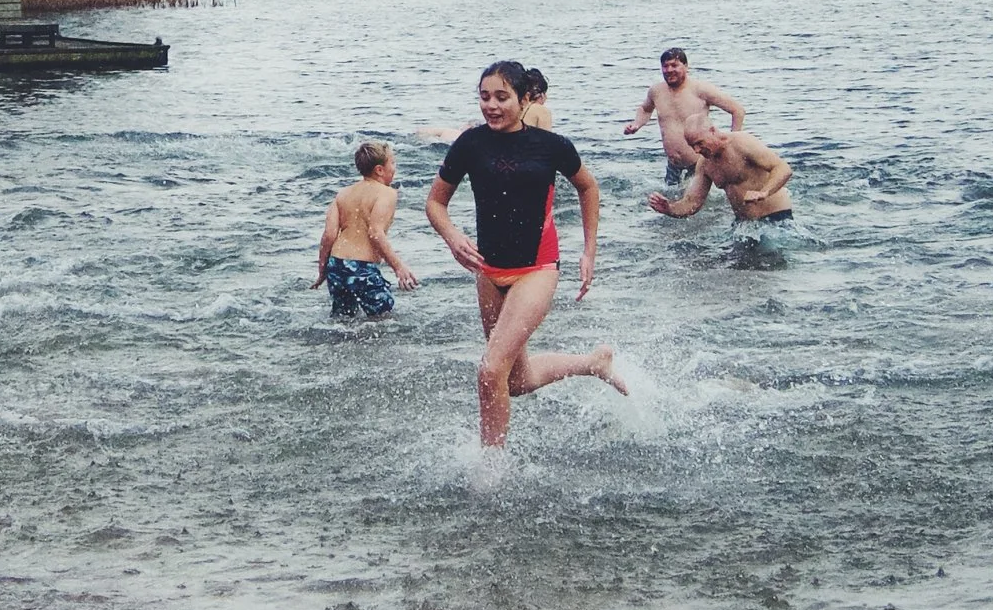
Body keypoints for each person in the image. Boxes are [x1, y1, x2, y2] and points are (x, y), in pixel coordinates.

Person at [427, 60, 626, 446]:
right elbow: (435, 203)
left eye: (502, 97)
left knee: (489, 371)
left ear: (524, 99)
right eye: (484, 97)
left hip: (537, 268)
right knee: (515, 381)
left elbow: (588, 188)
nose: (492, 106)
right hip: (488, 271)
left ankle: (491, 469)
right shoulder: (470, 144)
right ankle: (591, 363)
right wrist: (452, 238)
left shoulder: (551, 146)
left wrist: (589, 251)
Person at [314, 141, 419, 319]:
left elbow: (329, 236)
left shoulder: (343, 193)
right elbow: (375, 233)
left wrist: (323, 271)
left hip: (336, 265)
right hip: (362, 267)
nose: (395, 168)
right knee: (383, 319)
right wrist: (398, 267)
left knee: (343, 320)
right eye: (392, 163)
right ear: (379, 170)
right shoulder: (387, 193)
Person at [624, 47, 745, 184]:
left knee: (694, 203)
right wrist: (636, 124)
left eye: (674, 65)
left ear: (686, 66)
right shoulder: (656, 91)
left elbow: (737, 110)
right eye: (665, 66)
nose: (669, 70)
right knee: (667, 201)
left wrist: (732, 146)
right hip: (673, 166)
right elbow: (645, 109)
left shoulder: (700, 89)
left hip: (699, 164)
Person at [647, 120, 794, 224]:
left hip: (776, 218)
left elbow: (783, 168)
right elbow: (692, 202)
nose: (697, 150)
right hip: (744, 224)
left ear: (713, 131)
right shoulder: (704, 164)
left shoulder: (742, 143)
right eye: (692, 146)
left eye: (700, 143)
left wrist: (764, 192)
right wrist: (669, 209)